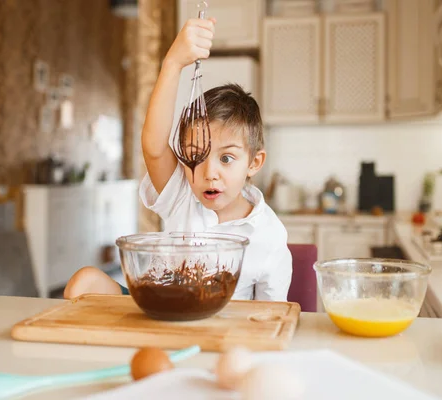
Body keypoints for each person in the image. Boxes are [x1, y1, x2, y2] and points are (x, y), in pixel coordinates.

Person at [64, 16, 292, 302]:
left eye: (227, 159)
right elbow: (155, 148)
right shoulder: (182, 195)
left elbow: (270, 316)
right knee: (83, 282)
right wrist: (172, 64)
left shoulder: (269, 236)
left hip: (219, 331)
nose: (209, 173)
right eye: (197, 155)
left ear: (254, 163)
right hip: (160, 311)